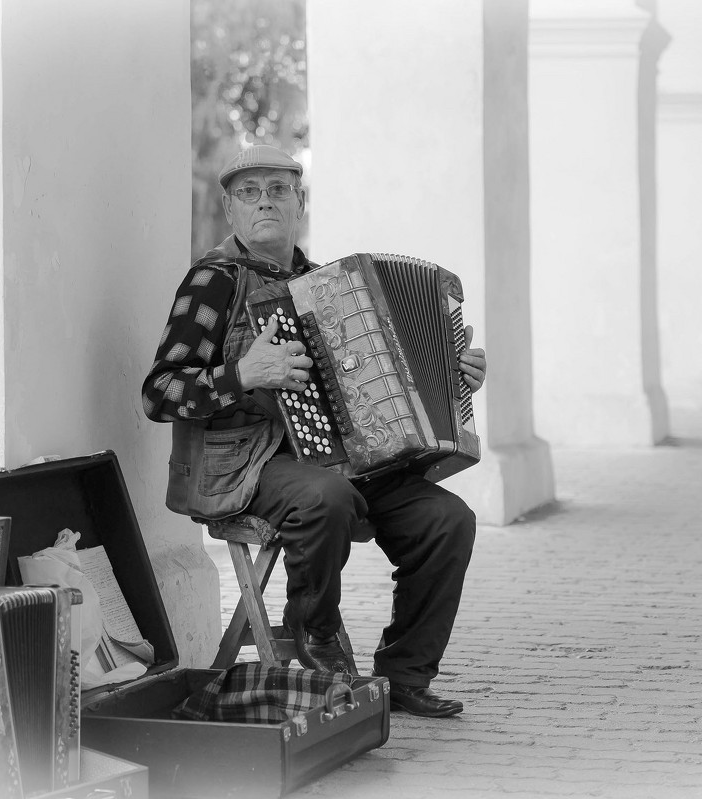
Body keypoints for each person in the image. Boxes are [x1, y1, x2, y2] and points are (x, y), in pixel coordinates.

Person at [141, 145, 487, 718]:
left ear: (300, 202)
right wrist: (242, 373)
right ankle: (315, 633)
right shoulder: (211, 282)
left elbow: (374, 386)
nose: (265, 202)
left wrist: (453, 377)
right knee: (326, 497)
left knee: (446, 519)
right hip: (245, 464)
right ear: (230, 210)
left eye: (278, 189)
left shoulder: (324, 286)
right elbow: (158, 392)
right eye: (249, 192)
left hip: (336, 459)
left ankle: (404, 675)